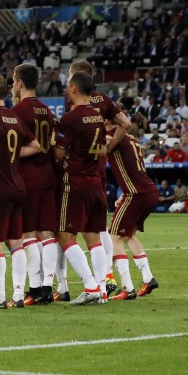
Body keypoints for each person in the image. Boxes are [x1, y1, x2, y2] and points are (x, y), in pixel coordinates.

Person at [66, 60, 133, 296]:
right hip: (98, 168)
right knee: (98, 225)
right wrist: (110, 146)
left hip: (76, 171)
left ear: (76, 81)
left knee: (68, 230)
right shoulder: (103, 100)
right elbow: (126, 123)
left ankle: (68, 284)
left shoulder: (73, 104)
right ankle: (107, 277)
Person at [0, 76, 41, 309]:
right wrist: (13, 156)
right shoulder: (14, 117)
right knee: (16, 242)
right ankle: (17, 295)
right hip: (18, 185)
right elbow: (36, 146)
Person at [53, 72, 109, 306]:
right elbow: (104, 150)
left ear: (75, 88)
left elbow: (59, 154)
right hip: (95, 181)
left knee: (64, 235)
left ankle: (90, 285)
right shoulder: (98, 117)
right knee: (94, 237)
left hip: (74, 182)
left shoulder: (71, 118)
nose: (66, 90)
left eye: (68, 86)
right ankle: (102, 289)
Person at [10, 63, 62, 304]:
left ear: (20, 83)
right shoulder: (47, 110)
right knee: (47, 233)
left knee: (28, 232)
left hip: (28, 176)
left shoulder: (19, 111)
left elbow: (14, 146)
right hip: (48, 174)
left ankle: (35, 287)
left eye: (13, 80)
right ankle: (48, 287)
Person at [106, 121, 160, 300]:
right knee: (127, 235)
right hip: (147, 190)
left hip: (136, 194)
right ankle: (148, 278)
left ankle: (127, 288)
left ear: (106, 121)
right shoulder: (132, 140)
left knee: (112, 237)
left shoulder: (115, 137)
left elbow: (100, 145)